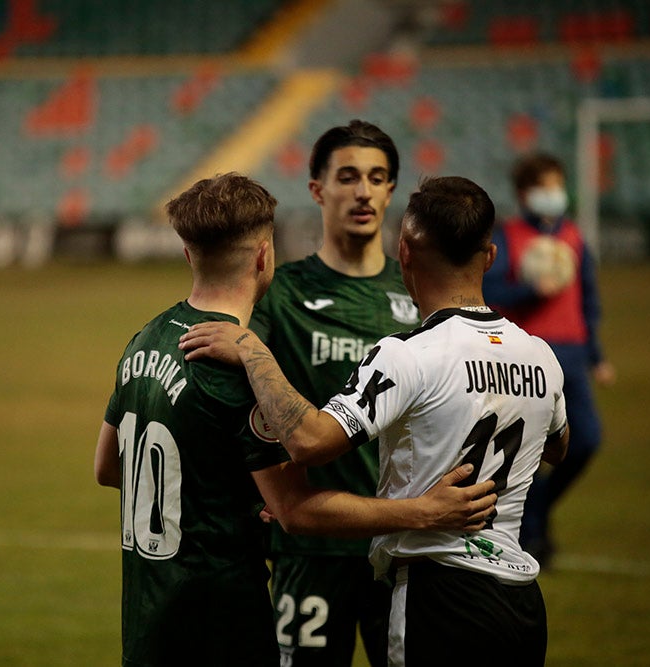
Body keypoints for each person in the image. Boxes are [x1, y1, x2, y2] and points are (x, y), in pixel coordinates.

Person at [95, 173, 497, 667]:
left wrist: (221, 492)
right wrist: (424, 512)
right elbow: (296, 512)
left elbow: (107, 468)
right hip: (220, 620)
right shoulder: (240, 371)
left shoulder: (144, 338)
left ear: (187, 255)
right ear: (266, 257)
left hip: (146, 618)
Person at [179, 175, 570, 666]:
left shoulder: (405, 355)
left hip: (439, 598)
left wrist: (253, 351)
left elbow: (309, 440)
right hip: (521, 605)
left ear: (404, 251)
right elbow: (557, 445)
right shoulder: (540, 356)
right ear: (489, 257)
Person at [247, 119, 418, 667]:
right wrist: (256, 491)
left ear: (392, 189)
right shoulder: (279, 294)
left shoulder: (419, 300)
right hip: (311, 547)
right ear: (318, 189)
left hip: (405, 547)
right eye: (348, 177)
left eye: (377, 177)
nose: (363, 191)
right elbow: (239, 408)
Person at [482, 152, 615, 567]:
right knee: (526, 452)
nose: (553, 195)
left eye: (557, 186)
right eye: (544, 187)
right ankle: (533, 536)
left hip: (572, 355)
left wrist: (596, 354)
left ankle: (536, 510)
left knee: (586, 439)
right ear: (524, 194)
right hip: (526, 357)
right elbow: (490, 294)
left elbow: (587, 298)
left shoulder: (574, 236)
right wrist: (530, 291)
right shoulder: (506, 238)